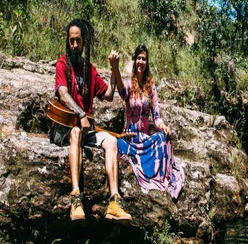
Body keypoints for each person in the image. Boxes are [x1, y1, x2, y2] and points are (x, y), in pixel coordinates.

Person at [49, 19, 132, 223]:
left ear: (84, 42)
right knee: (76, 132)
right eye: (72, 41)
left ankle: (114, 201)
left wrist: (114, 68)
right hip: (66, 128)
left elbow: (109, 95)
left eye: (78, 41)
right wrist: (81, 114)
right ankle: (76, 198)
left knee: (112, 142)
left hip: (86, 130)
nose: (75, 45)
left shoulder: (89, 69)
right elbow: (62, 93)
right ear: (67, 42)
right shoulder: (62, 64)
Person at [109, 44, 185, 199]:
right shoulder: (129, 84)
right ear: (134, 60)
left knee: (163, 138)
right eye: (138, 58)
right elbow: (123, 94)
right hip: (130, 138)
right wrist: (115, 68)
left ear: (147, 62)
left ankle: (158, 175)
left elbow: (156, 117)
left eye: (143, 59)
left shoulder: (151, 87)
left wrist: (163, 126)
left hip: (144, 139)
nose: (141, 62)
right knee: (115, 143)